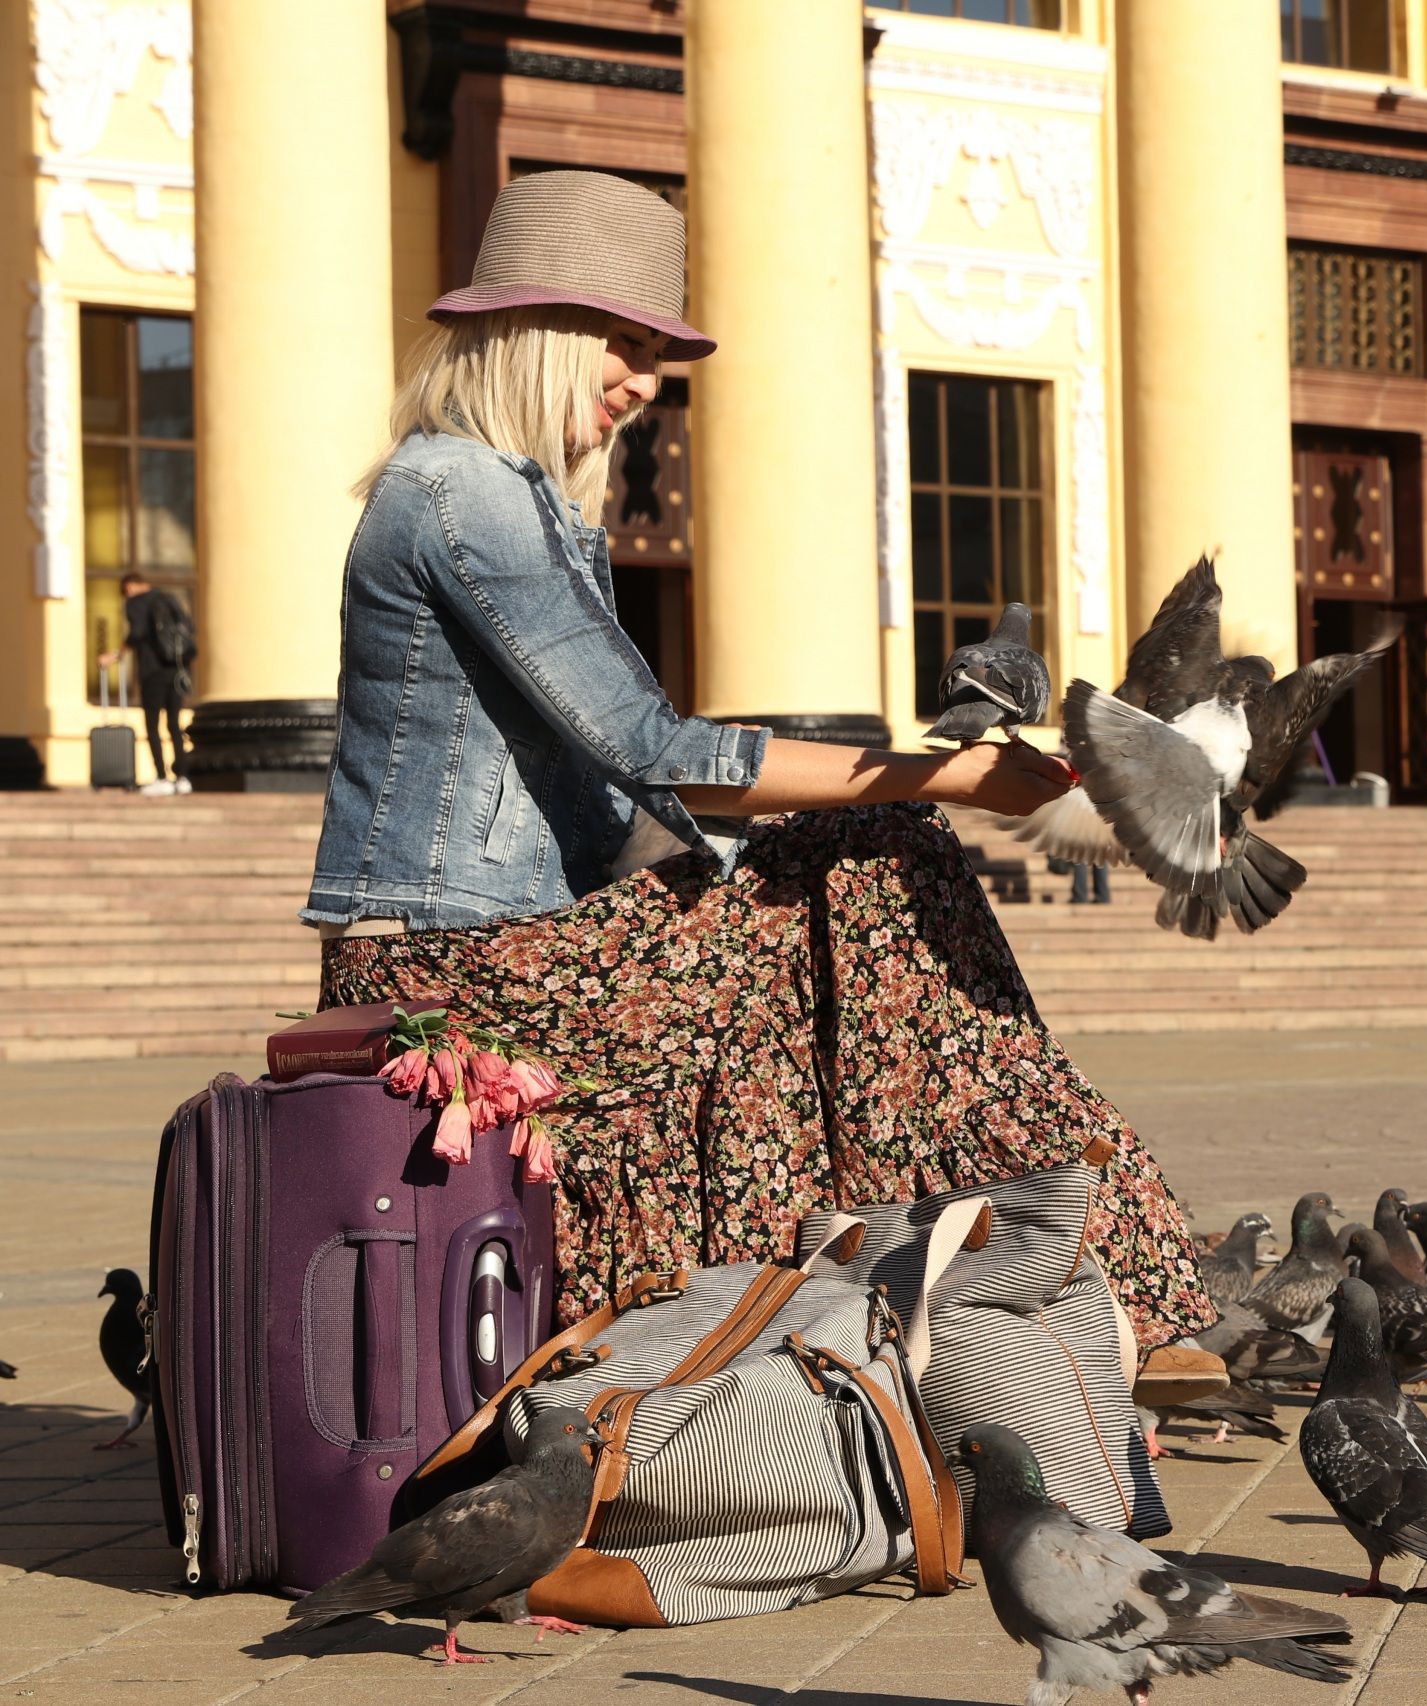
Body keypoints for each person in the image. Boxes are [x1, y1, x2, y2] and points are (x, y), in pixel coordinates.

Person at [300, 172, 1217, 1395]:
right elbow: (656, 746)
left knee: (842, 939)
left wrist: (885, 796)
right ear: (538, 333)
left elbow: (627, 789)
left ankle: (889, 1327)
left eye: (656, 353)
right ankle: (1050, 1295)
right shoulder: (464, 492)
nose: (644, 380)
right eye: (623, 344)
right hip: (457, 966)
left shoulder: (509, 498)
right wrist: (939, 772)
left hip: (510, 940)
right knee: (889, 867)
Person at [102, 569, 194, 793]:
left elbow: (137, 633)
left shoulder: (135, 603)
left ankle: (161, 777)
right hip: (176, 669)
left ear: (130, 587)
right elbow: (189, 628)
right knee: (174, 724)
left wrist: (117, 654)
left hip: (152, 671)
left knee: (152, 725)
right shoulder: (168, 598)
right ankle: (182, 778)